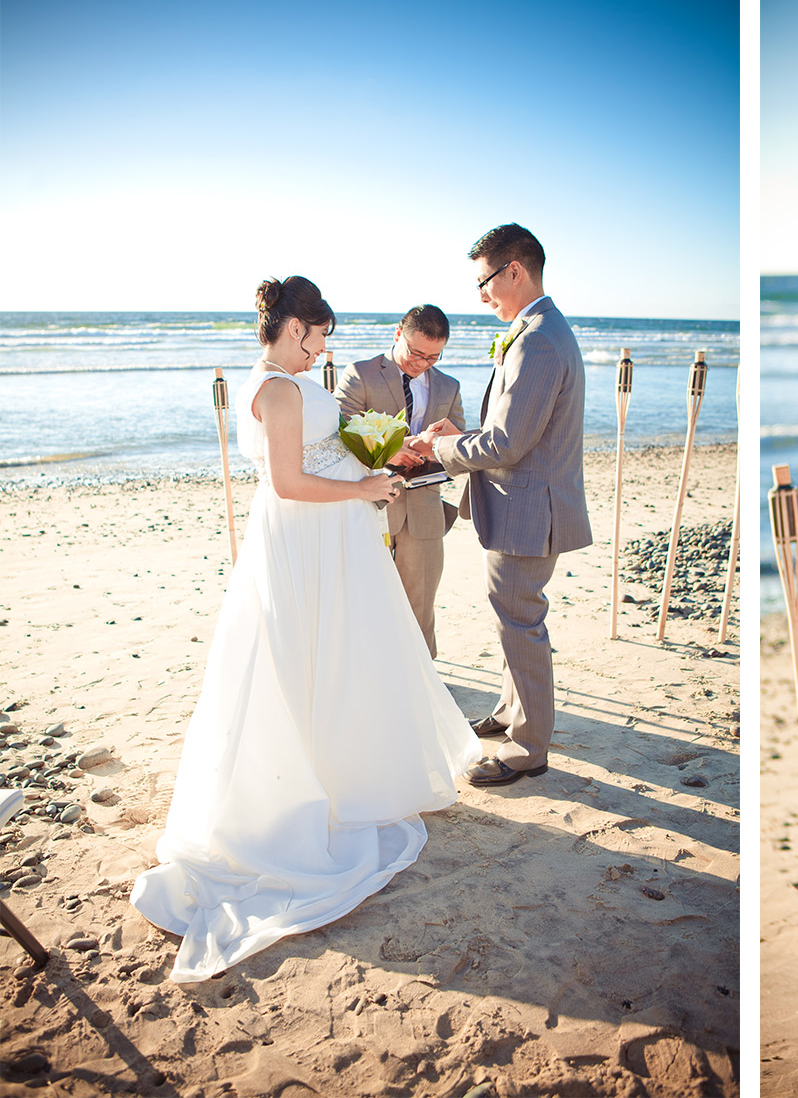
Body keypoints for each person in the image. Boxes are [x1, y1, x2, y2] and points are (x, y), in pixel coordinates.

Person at [130, 277, 481, 982]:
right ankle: (304, 787)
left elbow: (322, 453)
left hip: (320, 539)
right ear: (297, 329)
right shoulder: (281, 389)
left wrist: (379, 457)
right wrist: (363, 487)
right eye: (320, 333)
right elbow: (288, 480)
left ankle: (335, 765)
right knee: (299, 656)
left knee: (323, 655)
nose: (325, 346)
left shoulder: (279, 383)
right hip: (305, 535)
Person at [404, 224, 592, 787]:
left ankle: (528, 746)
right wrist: (462, 432)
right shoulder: (537, 329)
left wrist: (437, 446)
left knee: (520, 620)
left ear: (515, 270)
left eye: (484, 280)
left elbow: (508, 444)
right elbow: (512, 429)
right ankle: (512, 712)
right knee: (513, 616)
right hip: (524, 503)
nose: (481, 294)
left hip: (529, 509)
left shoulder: (537, 340)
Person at [335, 304, 464, 658]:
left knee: (420, 604)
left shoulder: (449, 387)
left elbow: (461, 448)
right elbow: (337, 434)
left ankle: (422, 683)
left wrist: (443, 444)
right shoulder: (360, 374)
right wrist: (392, 450)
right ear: (397, 335)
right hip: (367, 506)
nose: (422, 364)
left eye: (433, 357)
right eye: (416, 353)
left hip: (424, 510)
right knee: (364, 599)